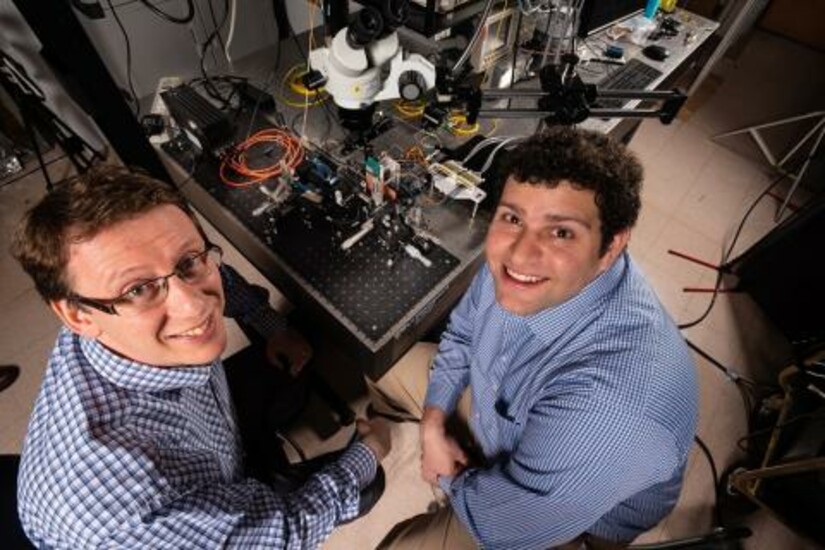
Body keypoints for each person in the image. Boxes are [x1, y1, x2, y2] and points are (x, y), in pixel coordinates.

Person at [10, 165, 390, 548]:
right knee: (368, 482)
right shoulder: (123, 519)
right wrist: (369, 451)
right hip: (191, 508)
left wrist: (272, 326)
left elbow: (215, 275)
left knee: (297, 351)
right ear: (76, 316)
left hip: (216, 432)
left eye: (188, 262)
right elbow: (285, 532)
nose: (195, 307)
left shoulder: (99, 301)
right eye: (139, 289)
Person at [370, 127, 698, 549]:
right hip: (501, 421)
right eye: (513, 217)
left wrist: (450, 477)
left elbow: (504, 527)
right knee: (384, 367)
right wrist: (433, 427)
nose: (519, 255)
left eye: (561, 232)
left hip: (565, 511)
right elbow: (463, 333)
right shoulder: (514, 266)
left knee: (401, 545)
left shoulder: (611, 407)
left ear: (612, 246)